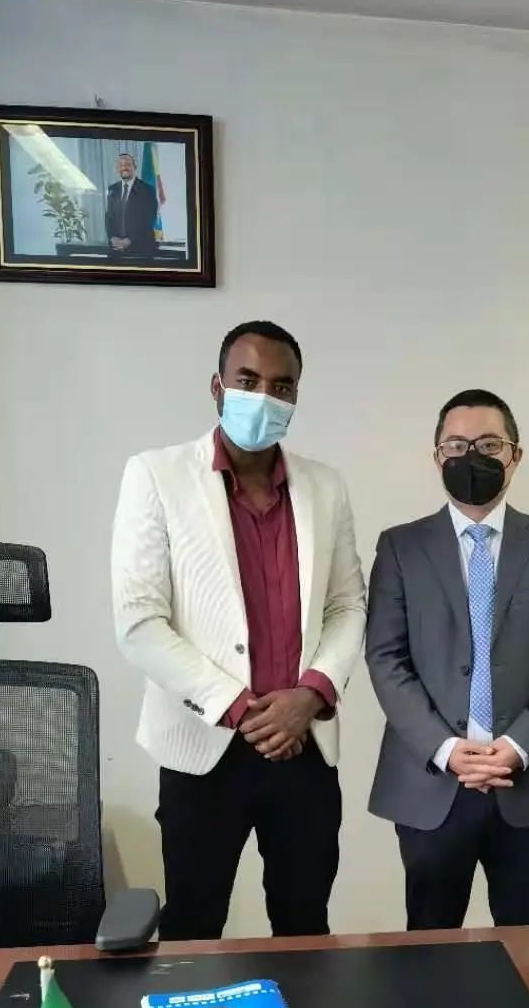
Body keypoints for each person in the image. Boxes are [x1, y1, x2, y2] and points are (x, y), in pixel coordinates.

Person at [112, 321, 366, 939]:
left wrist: (311, 694)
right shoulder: (157, 475)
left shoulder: (325, 485)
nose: (263, 397)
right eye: (248, 381)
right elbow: (139, 621)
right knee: (194, 926)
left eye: (281, 387)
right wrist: (238, 707)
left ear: (296, 397)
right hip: (203, 748)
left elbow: (347, 605)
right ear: (217, 387)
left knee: (305, 925)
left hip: (303, 746)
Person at [365, 389, 529, 930]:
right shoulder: (400, 547)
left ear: (515, 455)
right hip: (433, 781)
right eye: (456, 445)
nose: (472, 457)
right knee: (430, 948)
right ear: (437, 456)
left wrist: (517, 746)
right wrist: (447, 749)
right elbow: (386, 657)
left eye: (489, 444)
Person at [105, 152, 159, 258]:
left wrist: (129, 240)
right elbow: (109, 217)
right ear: (117, 168)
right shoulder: (112, 189)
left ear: (135, 167)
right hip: (116, 250)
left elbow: (149, 219)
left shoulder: (147, 190)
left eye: (128, 164)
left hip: (141, 250)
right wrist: (112, 238)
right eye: (121, 165)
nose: (124, 167)